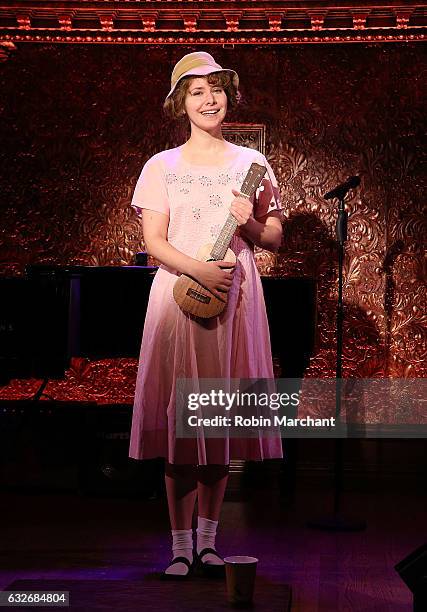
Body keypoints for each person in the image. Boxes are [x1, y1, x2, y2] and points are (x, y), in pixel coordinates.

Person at [128, 52, 283, 580]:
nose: (208, 99)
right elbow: (153, 244)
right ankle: (177, 547)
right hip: (179, 296)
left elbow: (274, 238)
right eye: (196, 92)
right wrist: (199, 271)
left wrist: (253, 225)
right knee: (179, 425)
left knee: (217, 421)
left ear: (227, 96)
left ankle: (210, 544)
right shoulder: (161, 166)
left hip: (235, 299)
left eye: (215, 88)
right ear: (181, 104)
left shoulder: (250, 164)